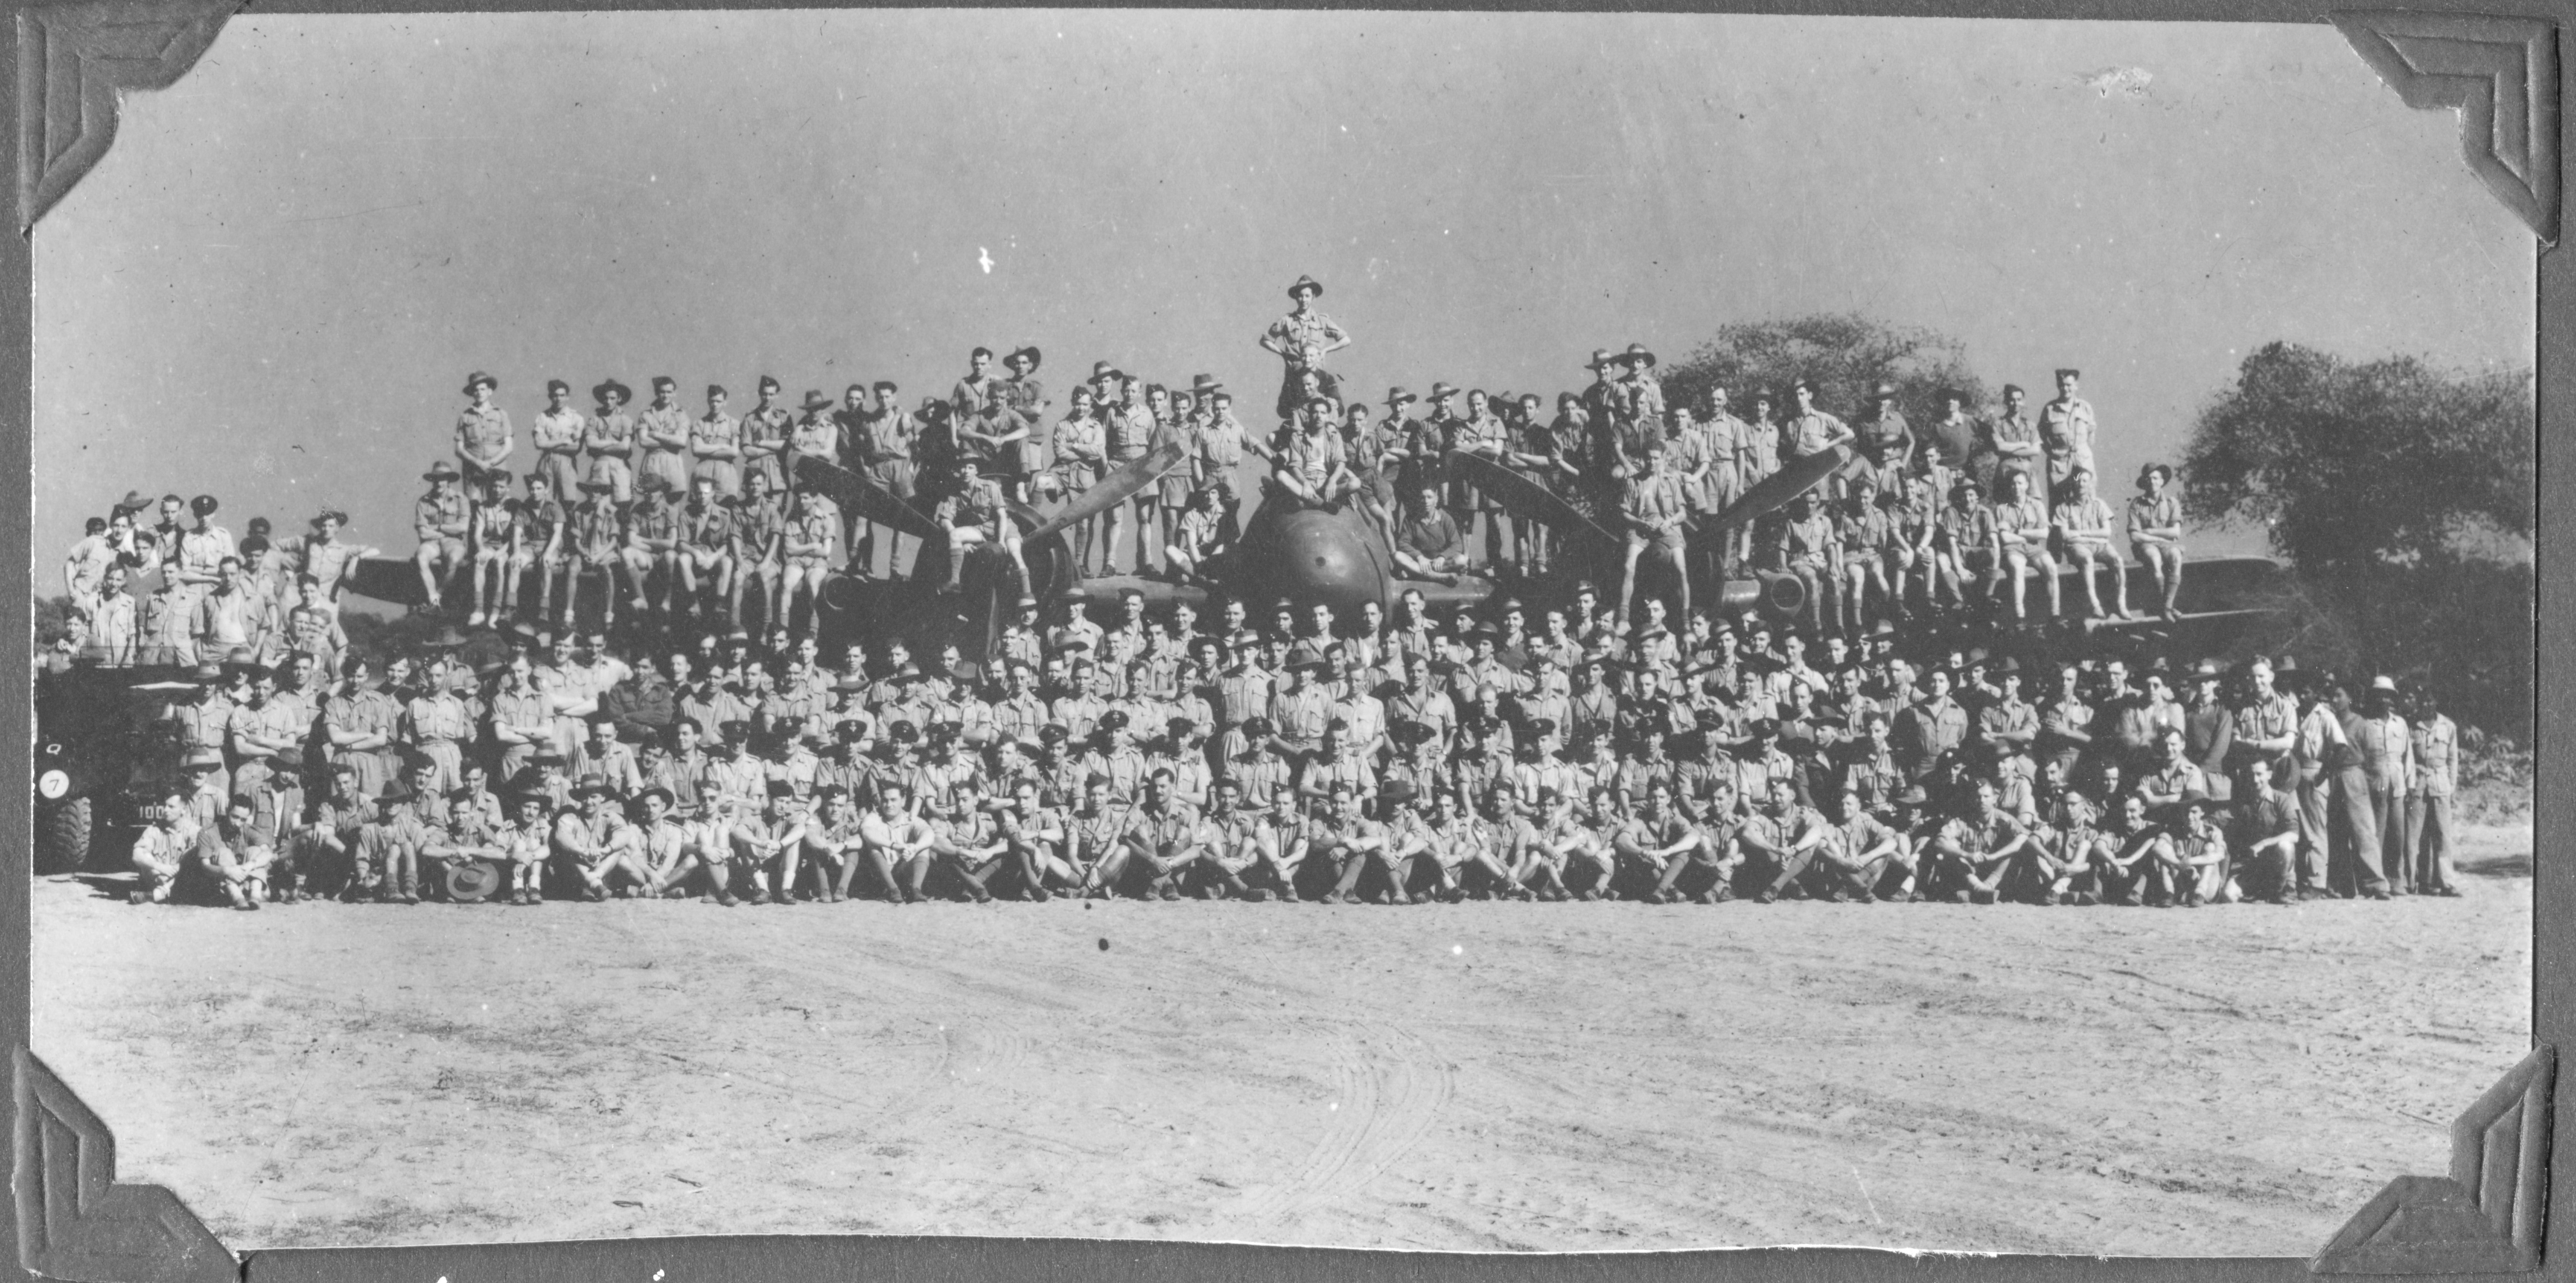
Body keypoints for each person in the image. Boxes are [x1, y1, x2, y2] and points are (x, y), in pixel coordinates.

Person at [1617, 440, 1691, 623]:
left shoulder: (1671, 481)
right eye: (1649, 458)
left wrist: (1670, 522)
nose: (1652, 462)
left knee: (1681, 569)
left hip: (1668, 529)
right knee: (1629, 566)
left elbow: (1682, 513)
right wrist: (1640, 523)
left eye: (1656, 458)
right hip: (1641, 530)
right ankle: (1624, 617)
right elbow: (1624, 513)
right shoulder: (1633, 482)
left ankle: (1685, 619)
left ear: (1663, 459)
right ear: (1643, 458)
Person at [1261, 275, 1350, 421]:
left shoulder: (1322, 321)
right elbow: (1265, 340)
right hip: (1295, 374)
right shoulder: (1287, 320)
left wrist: (1326, 350)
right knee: (1294, 411)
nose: (1304, 300)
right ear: (1296, 297)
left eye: (1308, 296)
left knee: (1319, 409)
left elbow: (1346, 340)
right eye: (1300, 296)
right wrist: (1283, 354)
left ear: (1314, 297)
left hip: (1316, 374)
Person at [2053, 467, 2130, 618]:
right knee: (2088, 560)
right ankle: (2095, 605)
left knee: (2118, 561)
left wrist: (2080, 534)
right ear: (2073, 483)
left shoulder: (2099, 505)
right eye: (2078, 481)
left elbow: (2107, 532)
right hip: (2078, 548)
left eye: (2085, 481)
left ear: (2090, 484)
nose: (2081, 484)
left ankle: (2121, 604)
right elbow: (2066, 536)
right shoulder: (2063, 508)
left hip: (2100, 546)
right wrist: (2095, 536)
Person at [1990, 468, 2059, 621]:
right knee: (2018, 568)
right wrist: (2027, 536)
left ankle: (2056, 614)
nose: (2017, 487)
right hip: (2013, 549)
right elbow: (2005, 538)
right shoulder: (2002, 509)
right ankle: (2020, 615)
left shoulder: (2037, 505)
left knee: (2052, 568)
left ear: (2027, 485)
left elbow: (2044, 534)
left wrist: (2018, 532)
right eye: (2013, 484)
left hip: (2034, 549)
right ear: (2009, 486)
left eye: (2020, 483)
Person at [2127, 463, 2184, 620]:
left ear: (2162, 481)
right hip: (2146, 545)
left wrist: (2150, 532)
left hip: (2167, 545)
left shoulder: (2172, 503)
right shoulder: (2137, 504)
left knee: (2176, 556)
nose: (2152, 482)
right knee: (2154, 558)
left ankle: (2167, 606)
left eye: (2156, 478)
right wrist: (2158, 538)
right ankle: (2167, 608)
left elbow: (2175, 532)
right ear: (2145, 482)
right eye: (2149, 479)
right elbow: (2135, 536)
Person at [412, 462, 471, 610]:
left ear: (449, 480)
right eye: (436, 479)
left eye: (443, 479)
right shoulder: (424, 502)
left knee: (455, 559)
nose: (439, 483)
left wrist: (438, 527)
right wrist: (450, 530)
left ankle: (439, 594)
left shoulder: (461, 499)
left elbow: (463, 527)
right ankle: (433, 598)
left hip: (453, 543)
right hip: (432, 543)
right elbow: (423, 532)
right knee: (421, 557)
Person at [454, 371, 514, 490]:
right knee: (473, 500)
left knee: (497, 498)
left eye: (483, 389)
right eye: (476, 390)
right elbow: (459, 450)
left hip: (497, 467)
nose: (480, 393)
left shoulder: (501, 414)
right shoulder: (465, 416)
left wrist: (490, 464)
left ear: (490, 391)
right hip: (473, 468)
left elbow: (509, 447)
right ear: (472, 393)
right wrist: (479, 464)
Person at [583, 379, 638, 508]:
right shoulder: (594, 420)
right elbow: (591, 444)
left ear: (619, 399)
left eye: (613, 398)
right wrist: (614, 442)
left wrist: (600, 447)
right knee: (600, 503)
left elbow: (625, 447)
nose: (608, 402)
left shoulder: (626, 420)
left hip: (620, 465)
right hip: (600, 466)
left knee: (623, 503)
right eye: (606, 398)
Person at [689, 384, 744, 498]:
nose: (715, 405)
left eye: (719, 402)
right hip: (703, 472)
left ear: (725, 403)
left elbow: (734, 452)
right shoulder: (699, 424)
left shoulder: (734, 424)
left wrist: (705, 449)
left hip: (725, 475)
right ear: (708, 401)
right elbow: (696, 450)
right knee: (701, 505)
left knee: (726, 505)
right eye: (712, 401)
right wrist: (722, 447)